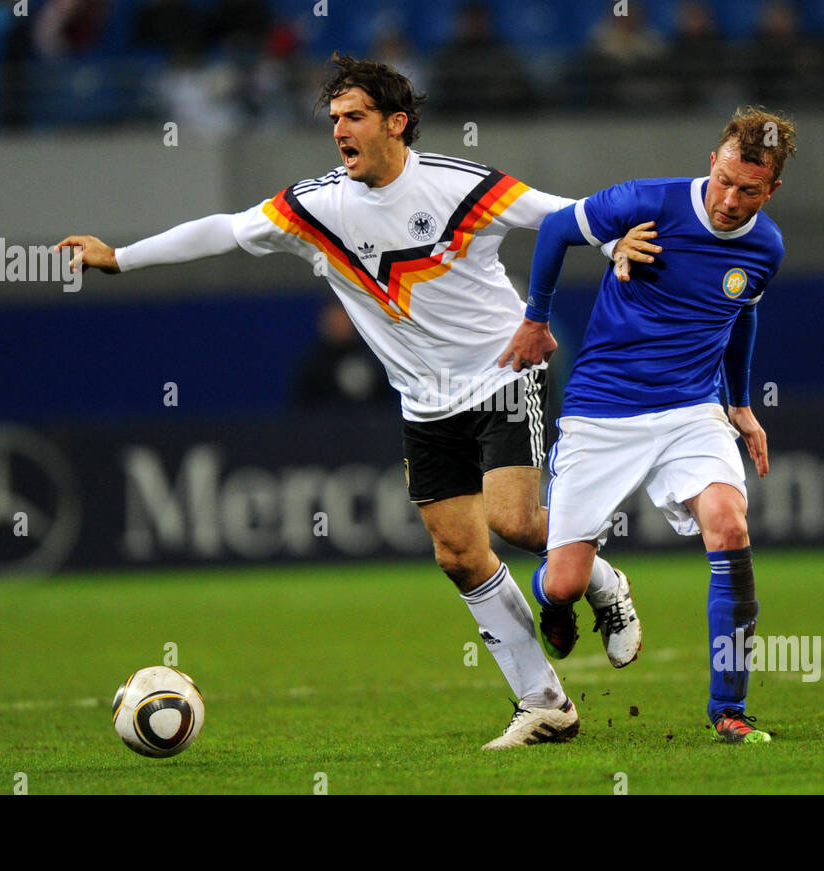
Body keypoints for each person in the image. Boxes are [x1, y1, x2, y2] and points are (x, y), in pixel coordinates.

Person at [54, 54, 653, 749]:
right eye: (334, 118)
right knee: (459, 553)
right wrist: (120, 256)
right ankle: (544, 703)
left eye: (355, 116)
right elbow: (224, 227)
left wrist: (613, 241)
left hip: (502, 372)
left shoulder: (460, 187)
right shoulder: (317, 208)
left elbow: (558, 216)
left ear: (396, 123)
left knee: (514, 520)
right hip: (423, 403)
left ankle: (600, 576)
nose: (340, 129)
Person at [498, 107, 797, 744]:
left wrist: (739, 404)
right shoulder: (647, 203)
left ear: (772, 191)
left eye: (748, 190)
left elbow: (740, 314)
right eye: (723, 180)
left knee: (729, 522)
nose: (728, 199)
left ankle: (729, 711)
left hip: (692, 411)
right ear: (711, 163)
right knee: (563, 581)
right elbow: (554, 229)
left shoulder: (766, 246)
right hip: (602, 411)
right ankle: (584, 593)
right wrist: (536, 318)